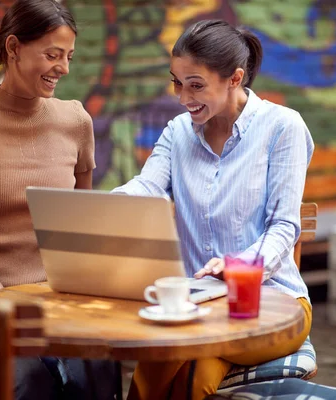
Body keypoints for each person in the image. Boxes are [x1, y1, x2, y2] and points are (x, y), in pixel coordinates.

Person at [113, 19, 315, 400]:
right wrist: (103, 206)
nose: (182, 97)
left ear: (235, 78)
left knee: (176, 368)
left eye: (196, 85)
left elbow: (285, 227)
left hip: (273, 305)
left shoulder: (282, 127)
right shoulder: (177, 131)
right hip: (197, 308)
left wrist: (240, 265)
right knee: (183, 367)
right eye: (177, 82)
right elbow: (148, 187)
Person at [0, 0, 116, 398]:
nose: (63, 68)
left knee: (99, 369)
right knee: (31, 376)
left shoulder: (76, 121)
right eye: (52, 55)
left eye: (68, 57)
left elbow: (82, 221)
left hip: (55, 299)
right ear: (13, 48)